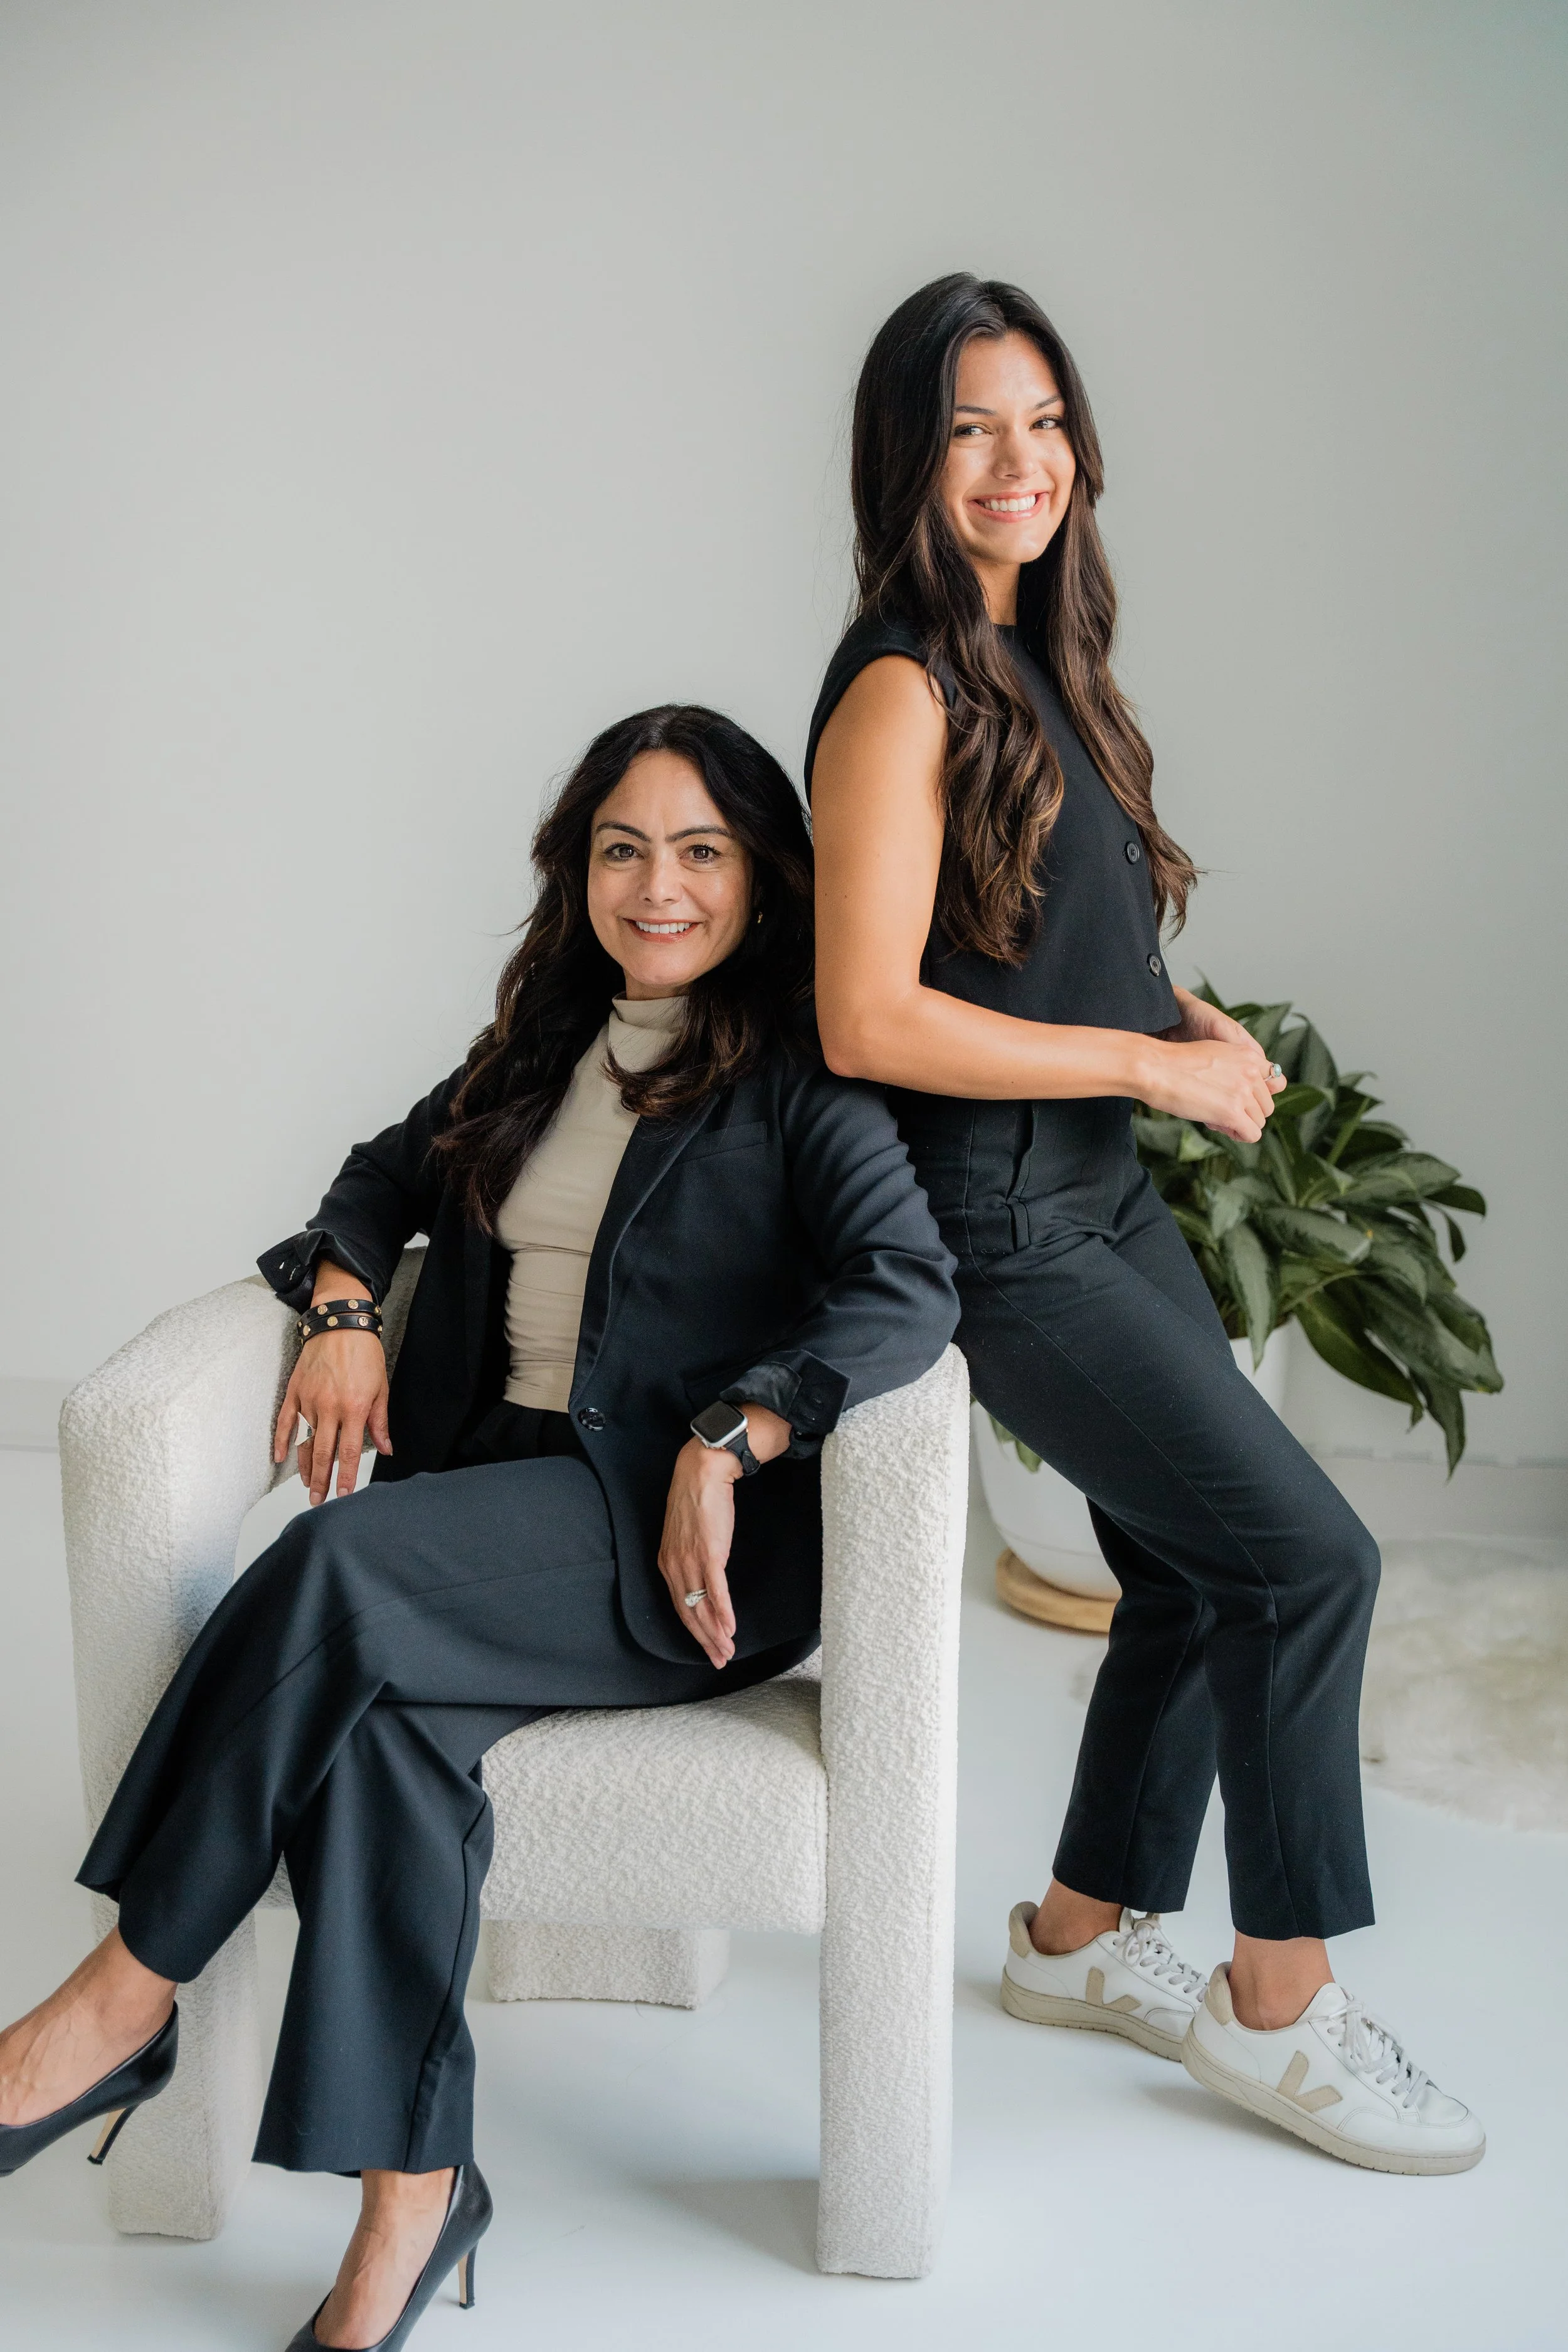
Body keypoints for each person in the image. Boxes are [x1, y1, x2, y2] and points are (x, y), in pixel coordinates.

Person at [0, 704, 959, 2346]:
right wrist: (349, 1308)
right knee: (382, 1739)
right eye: (621, 847)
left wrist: (737, 1431)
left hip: (657, 1540)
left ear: (762, 876)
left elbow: (910, 1285)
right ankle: (415, 2204)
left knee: (326, 1561)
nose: (657, 885)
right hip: (492, 1495)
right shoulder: (542, 1041)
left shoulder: (804, 1072)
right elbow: (370, 1182)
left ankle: (116, 1997)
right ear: (575, 871)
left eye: (701, 850)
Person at [807, 273, 1483, 2176]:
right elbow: (867, 1012)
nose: (1019, 463)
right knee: (1308, 1566)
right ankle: (1278, 2011)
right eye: (968, 429)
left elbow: (1020, 934)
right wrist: (1152, 1066)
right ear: (906, 461)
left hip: (1091, 1184)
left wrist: (1170, 1026)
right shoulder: (894, 687)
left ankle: (1079, 1938)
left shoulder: (1041, 650)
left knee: (1193, 1569)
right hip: (1000, 1223)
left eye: (1042, 421)